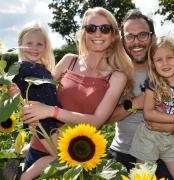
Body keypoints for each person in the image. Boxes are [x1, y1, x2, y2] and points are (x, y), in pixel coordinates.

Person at [20, 7, 134, 179]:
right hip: (39, 150)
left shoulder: (117, 77)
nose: (97, 33)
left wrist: (52, 111)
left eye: (104, 29)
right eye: (91, 28)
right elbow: (38, 91)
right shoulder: (68, 61)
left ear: (113, 36)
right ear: (83, 33)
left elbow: (96, 121)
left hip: (77, 160)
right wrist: (18, 90)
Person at [108, 9, 174, 179]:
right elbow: (102, 118)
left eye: (142, 35)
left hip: (165, 153)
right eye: (130, 36)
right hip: (122, 153)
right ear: (123, 41)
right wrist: (135, 103)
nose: (136, 42)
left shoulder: (169, 69)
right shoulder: (113, 73)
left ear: (153, 36)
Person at [8, 22, 62, 180]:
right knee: (59, 156)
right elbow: (12, 87)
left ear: (46, 47)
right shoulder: (20, 67)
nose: (34, 47)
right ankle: (25, 177)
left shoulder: (42, 68)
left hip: (46, 120)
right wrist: (13, 91)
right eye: (29, 43)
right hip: (40, 122)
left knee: (47, 150)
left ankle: (17, 153)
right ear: (20, 45)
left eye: (39, 44)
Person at [130, 36, 174, 179]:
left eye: (169, 57)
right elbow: (149, 113)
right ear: (153, 64)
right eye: (158, 60)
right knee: (142, 176)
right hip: (149, 136)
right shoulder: (153, 83)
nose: (165, 63)